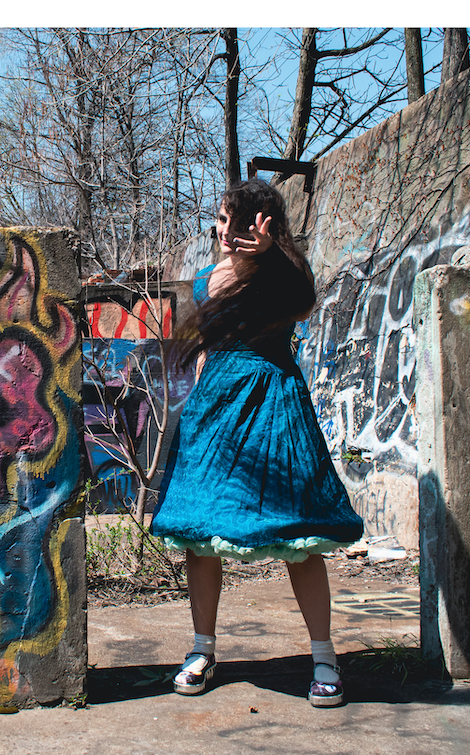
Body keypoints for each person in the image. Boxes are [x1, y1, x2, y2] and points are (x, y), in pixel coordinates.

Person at [151, 179, 364, 707]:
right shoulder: (204, 280)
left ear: (265, 226)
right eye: (222, 220)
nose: (226, 232)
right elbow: (207, 350)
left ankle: (323, 656)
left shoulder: (282, 273)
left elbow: (303, 302)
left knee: (299, 535)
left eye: (239, 222)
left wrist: (271, 256)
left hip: (272, 405)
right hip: (214, 412)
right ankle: (202, 650)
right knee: (201, 534)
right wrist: (197, 404)